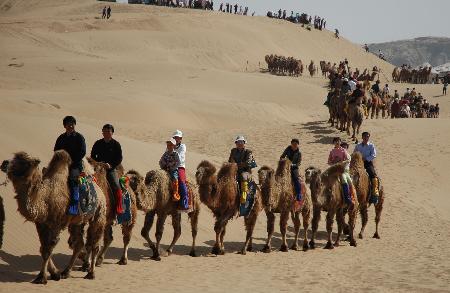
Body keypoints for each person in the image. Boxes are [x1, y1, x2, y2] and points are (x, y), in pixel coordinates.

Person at [54, 116, 86, 215]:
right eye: (68, 124)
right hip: (62, 165)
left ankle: (74, 207)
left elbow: (82, 152)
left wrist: (71, 161)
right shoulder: (61, 138)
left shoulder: (79, 137)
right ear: (64, 126)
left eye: (72, 124)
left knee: (73, 182)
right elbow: (56, 151)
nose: (71, 126)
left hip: (75, 166)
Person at [91, 124, 124, 215]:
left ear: (112, 133)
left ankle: (119, 207)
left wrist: (111, 165)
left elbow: (119, 158)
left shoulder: (116, 144)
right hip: (98, 168)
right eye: (104, 131)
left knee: (116, 185)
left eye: (108, 131)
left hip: (110, 169)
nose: (106, 133)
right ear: (102, 132)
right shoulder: (98, 143)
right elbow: (93, 156)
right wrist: (98, 163)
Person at [228, 136, 256, 204]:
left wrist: (236, 165)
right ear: (236, 143)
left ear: (244, 143)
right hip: (235, 171)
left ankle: (244, 197)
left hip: (245, 171)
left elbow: (248, 163)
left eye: (241, 142)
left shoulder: (248, 152)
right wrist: (233, 165)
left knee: (243, 176)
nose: (240, 143)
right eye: (238, 142)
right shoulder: (233, 151)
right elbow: (230, 160)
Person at [353, 132, 379, 203]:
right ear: (362, 137)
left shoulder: (371, 146)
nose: (366, 138)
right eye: (364, 136)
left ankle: (375, 194)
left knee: (373, 175)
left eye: (367, 137)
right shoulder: (358, 146)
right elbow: (354, 154)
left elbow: (373, 155)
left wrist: (366, 159)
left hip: (367, 163)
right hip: (358, 164)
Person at [328, 137, 353, 207]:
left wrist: (341, 162)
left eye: (338, 141)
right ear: (333, 143)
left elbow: (348, 160)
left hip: (342, 170)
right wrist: (333, 162)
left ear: (340, 142)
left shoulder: (343, 150)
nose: (337, 143)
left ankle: (347, 198)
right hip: (333, 169)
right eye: (336, 141)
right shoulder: (332, 151)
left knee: (344, 180)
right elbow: (329, 161)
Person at [280, 139, 303, 205]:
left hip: (294, 168)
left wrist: (292, 165)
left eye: (296, 144)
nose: (294, 146)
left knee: (296, 179)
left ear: (298, 145)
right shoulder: (288, 149)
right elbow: (282, 156)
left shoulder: (299, 153)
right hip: (285, 166)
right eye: (293, 144)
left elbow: (298, 163)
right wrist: (284, 160)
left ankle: (299, 195)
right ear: (291, 144)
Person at [172, 130, 189, 210]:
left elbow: (180, 157)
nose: (176, 139)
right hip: (170, 166)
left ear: (181, 139)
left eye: (178, 138)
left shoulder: (183, 146)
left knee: (182, 181)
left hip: (180, 166)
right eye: (175, 137)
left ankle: (185, 202)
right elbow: (165, 154)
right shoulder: (170, 145)